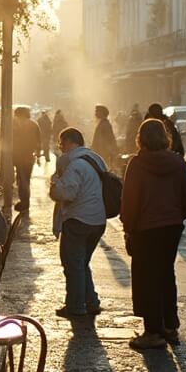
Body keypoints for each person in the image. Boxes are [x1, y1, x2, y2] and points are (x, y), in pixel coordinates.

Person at [121, 119, 186, 350]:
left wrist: (129, 228)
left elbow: (130, 200)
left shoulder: (137, 164)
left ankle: (153, 331)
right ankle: (170, 326)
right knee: (166, 274)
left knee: (146, 278)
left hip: (145, 228)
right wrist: (176, 217)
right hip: (171, 227)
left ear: (140, 137)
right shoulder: (178, 162)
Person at [49, 127, 107, 319]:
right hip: (98, 220)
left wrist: (54, 186)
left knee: (73, 264)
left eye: (61, 144)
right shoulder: (96, 158)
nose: (61, 148)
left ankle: (75, 306)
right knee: (82, 262)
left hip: (78, 220)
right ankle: (91, 302)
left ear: (68, 142)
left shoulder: (75, 165)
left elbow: (67, 193)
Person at [11, 107, 41, 213]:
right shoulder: (34, 124)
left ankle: (24, 202)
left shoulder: (17, 125)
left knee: (22, 180)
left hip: (20, 156)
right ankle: (24, 201)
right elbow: (38, 142)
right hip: (29, 156)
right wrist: (38, 155)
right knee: (24, 180)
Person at [91, 105, 119, 169]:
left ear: (101, 113)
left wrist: (111, 152)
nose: (95, 113)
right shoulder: (102, 124)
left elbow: (110, 140)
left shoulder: (105, 125)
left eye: (97, 111)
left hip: (103, 154)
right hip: (101, 153)